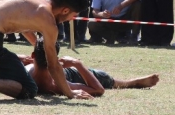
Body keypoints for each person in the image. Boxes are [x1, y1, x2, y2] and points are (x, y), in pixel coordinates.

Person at [20, 38, 159, 97]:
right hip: (63, 70)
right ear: (55, 59)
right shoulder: (56, 85)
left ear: (33, 55)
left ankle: (131, 82)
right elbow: (97, 90)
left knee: (111, 81)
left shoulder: (56, 84)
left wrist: (78, 64)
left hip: (76, 73)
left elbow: (99, 89)